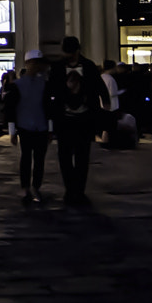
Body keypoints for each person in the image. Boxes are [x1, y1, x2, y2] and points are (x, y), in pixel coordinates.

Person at [52, 37, 111, 202]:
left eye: (70, 52)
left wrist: (105, 105)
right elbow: (51, 89)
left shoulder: (88, 66)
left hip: (84, 119)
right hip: (64, 119)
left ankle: (79, 190)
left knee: (82, 156)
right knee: (64, 156)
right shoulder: (57, 67)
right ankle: (70, 189)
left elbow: (100, 87)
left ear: (77, 51)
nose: (68, 55)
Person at [12, 50, 55, 201]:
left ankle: (33, 186)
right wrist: (12, 131)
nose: (38, 66)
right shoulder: (22, 85)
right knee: (30, 158)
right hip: (31, 126)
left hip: (35, 126)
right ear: (28, 63)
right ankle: (29, 186)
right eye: (35, 62)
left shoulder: (40, 84)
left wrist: (50, 128)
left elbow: (48, 108)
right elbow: (12, 109)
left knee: (36, 158)